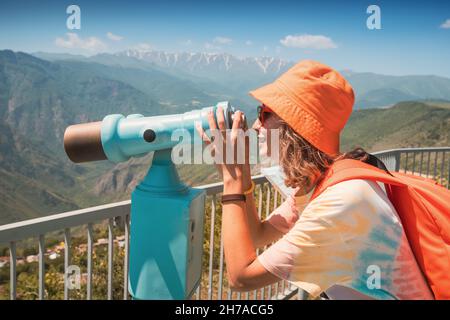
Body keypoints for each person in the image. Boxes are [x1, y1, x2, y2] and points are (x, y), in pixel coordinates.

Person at [195, 60, 433, 300]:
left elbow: (241, 278)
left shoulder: (343, 200)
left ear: (295, 128)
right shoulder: (322, 183)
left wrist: (231, 181)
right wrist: (243, 174)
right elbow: (258, 234)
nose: (256, 125)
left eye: (265, 114)